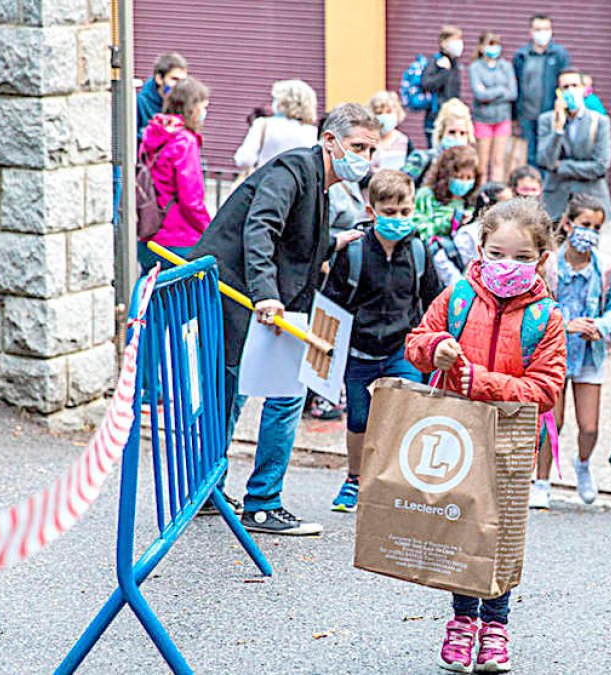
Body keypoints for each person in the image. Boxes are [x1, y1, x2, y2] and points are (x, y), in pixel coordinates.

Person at [190, 103, 382, 535]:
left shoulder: (317, 179)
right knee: (280, 394)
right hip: (237, 293)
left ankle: (208, 488)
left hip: (251, 295)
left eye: (371, 150)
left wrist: (333, 243)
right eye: (358, 147)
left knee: (235, 392)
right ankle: (261, 504)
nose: (365, 159)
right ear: (329, 141)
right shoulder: (294, 168)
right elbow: (260, 230)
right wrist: (268, 297)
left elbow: (294, 239)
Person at [405, 199, 565, 673]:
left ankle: (496, 624)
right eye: (497, 254)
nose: (507, 266)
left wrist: (480, 382)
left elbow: (546, 388)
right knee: (460, 526)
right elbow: (417, 339)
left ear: (541, 257)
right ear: (480, 247)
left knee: (500, 532)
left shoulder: (547, 317)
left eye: (521, 257)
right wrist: (435, 348)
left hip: (513, 440)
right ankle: (461, 622)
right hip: (456, 431)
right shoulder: (456, 297)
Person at [321, 170, 442, 512]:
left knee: (405, 415)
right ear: (371, 210)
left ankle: (395, 481)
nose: (399, 219)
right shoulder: (354, 252)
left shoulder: (418, 250)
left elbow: (433, 299)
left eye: (405, 212)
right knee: (359, 420)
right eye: (389, 213)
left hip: (402, 349)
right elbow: (332, 303)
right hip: (360, 351)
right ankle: (354, 479)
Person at [531, 194, 611, 509]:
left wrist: (602, 325)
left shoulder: (607, 267)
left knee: (590, 426)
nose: (591, 233)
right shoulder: (548, 264)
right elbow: (536, 306)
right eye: (585, 225)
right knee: (550, 423)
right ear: (568, 224)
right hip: (552, 353)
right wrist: (565, 324)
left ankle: (582, 464)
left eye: (597, 227)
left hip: (588, 355)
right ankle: (541, 481)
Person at [137, 77, 212, 271]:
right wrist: (210, 230)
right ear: (192, 107)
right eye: (203, 107)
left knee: (151, 296)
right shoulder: (185, 142)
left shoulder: (153, 134)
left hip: (149, 234)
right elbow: (191, 200)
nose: (205, 113)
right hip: (179, 238)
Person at [537, 69, 611, 221]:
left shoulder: (599, 122)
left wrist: (561, 167)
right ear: (558, 92)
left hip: (590, 201)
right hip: (556, 202)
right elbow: (546, 161)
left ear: (583, 89)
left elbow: (600, 166)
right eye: (565, 87)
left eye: (575, 85)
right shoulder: (547, 120)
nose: (570, 90)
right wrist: (558, 129)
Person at [413, 144, 481, 286]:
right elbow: (419, 229)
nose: (464, 182)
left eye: (469, 177)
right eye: (458, 177)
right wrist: (449, 221)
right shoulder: (426, 196)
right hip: (432, 263)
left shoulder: (473, 202)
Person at [513, 14, 570, 168]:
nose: (542, 33)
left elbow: (565, 83)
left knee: (549, 154)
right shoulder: (521, 56)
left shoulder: (559, 55)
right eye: (538, 29)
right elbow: (516, 84)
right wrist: (515, 115)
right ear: (530, 32)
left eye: (546, 29)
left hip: (550, 114)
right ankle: (533, 189)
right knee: (530, 156)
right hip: (527, 114)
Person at [233, 79, 319, 171]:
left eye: (275, 99)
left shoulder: (263, 124)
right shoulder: (312, 132)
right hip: (297, 184)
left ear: (283, 102)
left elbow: (244, 160)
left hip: (266, 181)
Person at [470, 31, 518, 183]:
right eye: (490, 44)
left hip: (503, 118)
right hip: (483, 119)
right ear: (481, 47)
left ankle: (496, 196)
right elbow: (479, 95)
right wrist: (500, 90)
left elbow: (513, 93)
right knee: (482, 164)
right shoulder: (475, 67)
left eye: (496, 45)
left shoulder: (506, 66)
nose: (493, 49)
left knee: (498, 162)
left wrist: (489, 92)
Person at [403, 99, 475, 186]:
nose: (457, 137)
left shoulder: (471, 167)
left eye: (462, 133)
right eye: (452, 132)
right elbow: (400, 189)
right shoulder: (421, 159)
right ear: (441, 134)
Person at [421, 24, 465, 145]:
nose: (459, 44)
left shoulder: (455, 62)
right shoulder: (435, 61)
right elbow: (426, 84)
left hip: (452, 115)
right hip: (435, 116)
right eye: (454, 40)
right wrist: (444, 72)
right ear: (443, 42)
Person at [454, 181, 513, 270]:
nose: (510, 209)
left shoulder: (513, 231)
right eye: (505, 204)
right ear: (488, 205)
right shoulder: (468, 234)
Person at [136, 52, 187, 140]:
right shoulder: (139, 104)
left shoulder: (184, 105)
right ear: (159, 79)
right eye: (174, 79)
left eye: (183, 81)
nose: (179, 85)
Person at [370, 90, 412, 171]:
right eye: (379, 113)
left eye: (389, 112)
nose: (384, 116)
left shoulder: (405, 141)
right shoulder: (367, 142)